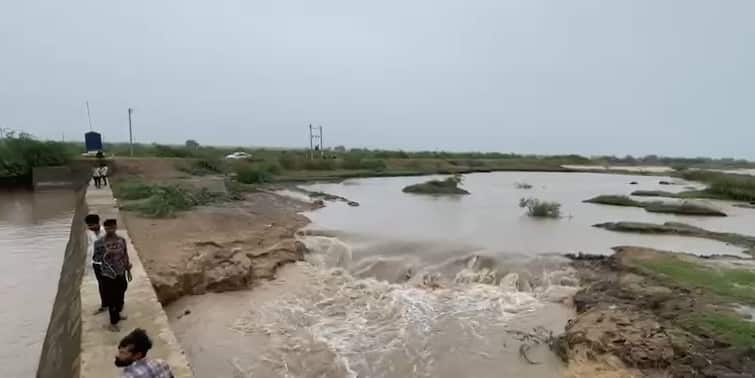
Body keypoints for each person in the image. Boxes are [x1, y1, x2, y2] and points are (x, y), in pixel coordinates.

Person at [93, 218, 132, 331]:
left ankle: (117, 315)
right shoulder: (99, 243)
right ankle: (112, 323)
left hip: (121, 272)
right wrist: (106, 254)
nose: (110, 230)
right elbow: (96, 258)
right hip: (108, 274)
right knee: (112, 298)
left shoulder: (121, 240)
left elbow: (125, 254)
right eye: (107, 228)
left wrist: (127, 265)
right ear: (104, 228)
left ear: (116, 227)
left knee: (122, 291)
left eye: (112, 227)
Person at [85, 214, 107, 314]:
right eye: (89, 226)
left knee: (110, 285)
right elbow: (91, 246)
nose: (91, 228)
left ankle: (114, 305)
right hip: (96, 262)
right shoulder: (88, 232)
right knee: (101, 284)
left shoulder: (106, 232)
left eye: (92, 225)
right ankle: (104, 305)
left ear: (98, 223)